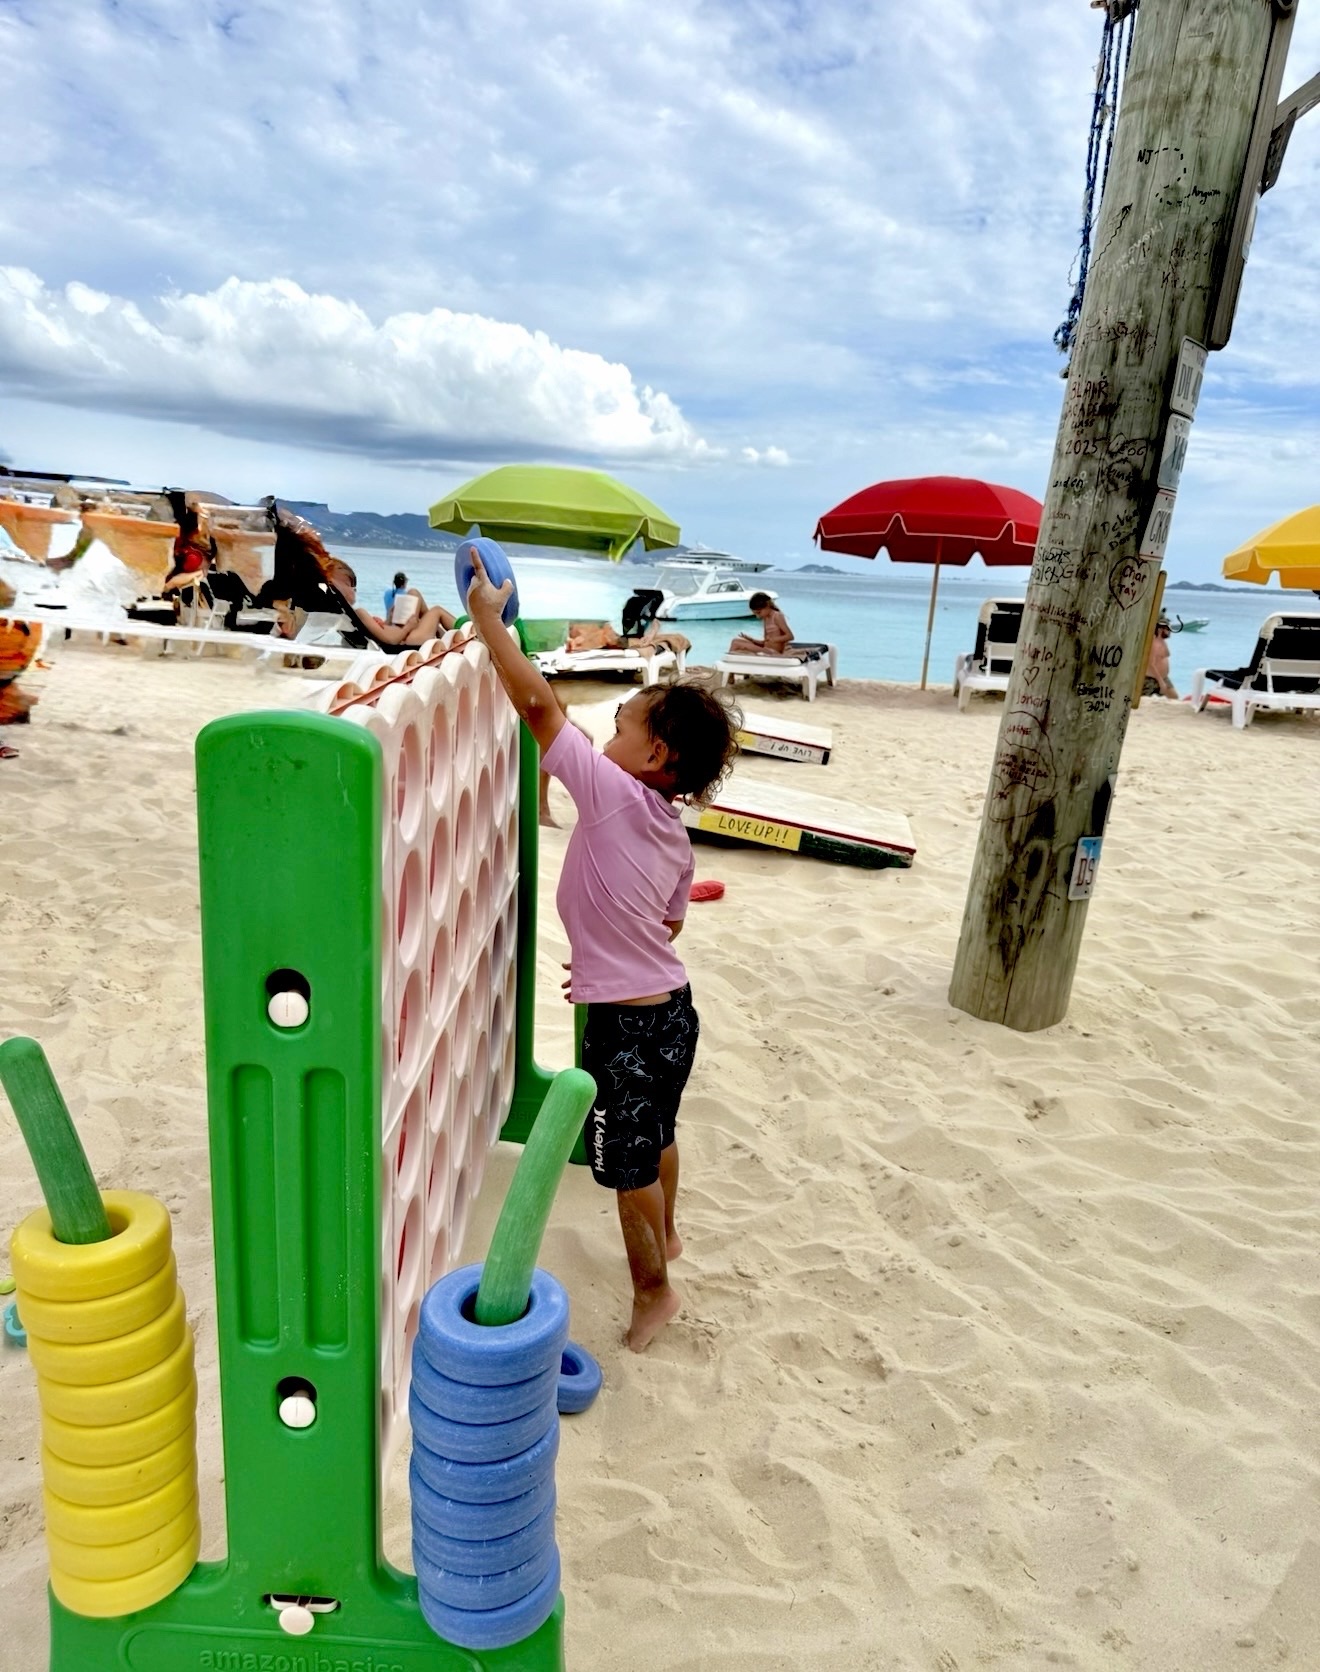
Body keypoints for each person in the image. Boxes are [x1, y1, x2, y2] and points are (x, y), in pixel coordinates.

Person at [466, 548, 740, 1351]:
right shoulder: (670, 829)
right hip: (674, 1012)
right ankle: (675, 1232)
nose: (604, 732)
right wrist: (602, 958)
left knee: (625, 1175)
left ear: (654, 758)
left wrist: (488, 622)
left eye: (620, 726)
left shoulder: (610, 792)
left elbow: (539, 708)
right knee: (660, 1138)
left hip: (623, 1031)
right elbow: (667, 926)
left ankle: (654, 1290)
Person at [727, 592, 793, 656]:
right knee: (735, 640)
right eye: (755, 614)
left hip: (773, 652)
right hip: (766, 650)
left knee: (736, 643)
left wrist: (774, 639)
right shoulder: (766, 619)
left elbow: (790, 636)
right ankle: (729, 662)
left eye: (759, 612)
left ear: (767, 605)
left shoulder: (777, 616)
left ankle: (727, 663)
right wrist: (751, 640)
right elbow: (764, 643)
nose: (757, 616)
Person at [1144, 613, 1178, 699]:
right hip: (1152, 679)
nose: (1169, 631)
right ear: (1160, 629)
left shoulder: (1162, 642)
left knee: (1174, 697)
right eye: (1167, 629)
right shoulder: (1154, 643)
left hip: (1164, 678)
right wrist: (1160, 681)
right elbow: (1150, 664)